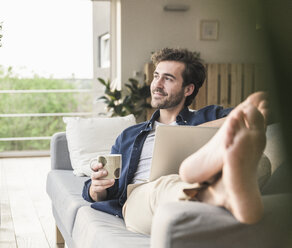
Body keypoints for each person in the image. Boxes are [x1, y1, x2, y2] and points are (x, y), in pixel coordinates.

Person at [81, 47, 269, 235]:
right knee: (165, 185)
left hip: (200, 183)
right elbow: (104, 188)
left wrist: (195, 131)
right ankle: (212, 191)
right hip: (142, 198)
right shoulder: (130, 135)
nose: (157, 84)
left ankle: (212, 189)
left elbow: (260, 111)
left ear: (188, 89)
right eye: (156, 76)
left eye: (168, 78)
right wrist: (97, 189)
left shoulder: (207, 116)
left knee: (261, 163)